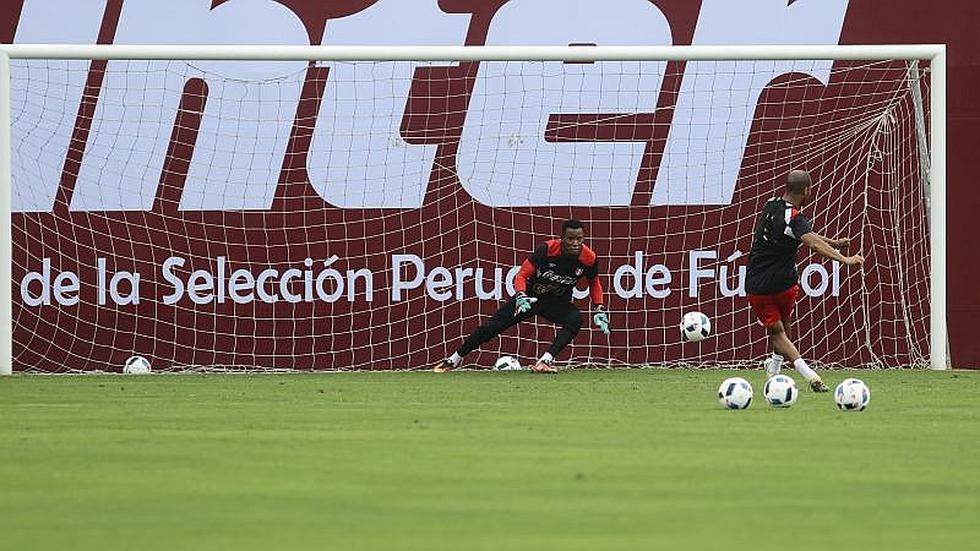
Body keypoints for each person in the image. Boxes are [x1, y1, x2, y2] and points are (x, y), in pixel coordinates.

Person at [433, 219, 609, 374]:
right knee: (491, 328)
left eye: (579, 239)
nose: (575, 243)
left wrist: (599, 307)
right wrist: (521, 295)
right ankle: (454, 359)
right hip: (530, 299)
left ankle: (545, 361)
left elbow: (594, 283)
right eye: (570, 239)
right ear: (562, 238)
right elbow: (522, 275)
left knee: (575, 319)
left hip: (556, 303)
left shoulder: (589, 258)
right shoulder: (547, 249)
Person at [745, 170, 865, 392]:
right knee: (778, 332)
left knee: (783, 325)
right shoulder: (795, 218)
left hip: (771, 282)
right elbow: (812, 244)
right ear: (807, 190)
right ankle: (810, 375)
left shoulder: (771, 204)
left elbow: (807, 235)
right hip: (767, 284)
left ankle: (773, 369)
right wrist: (844, 259)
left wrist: (834, 242)